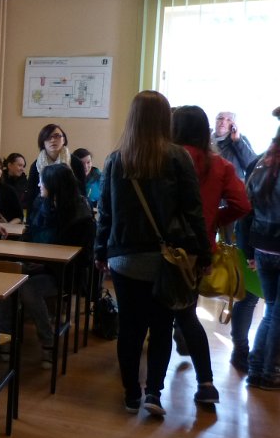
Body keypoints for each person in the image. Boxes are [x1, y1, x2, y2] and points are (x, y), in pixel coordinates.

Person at [94, 92, 210, 417]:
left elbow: (105, 213)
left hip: (124, 258)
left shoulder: (115, 159)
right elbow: (193, 210)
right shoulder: (177, 157)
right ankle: (154, 394)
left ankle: (131, 394)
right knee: (162, 327)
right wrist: (203, 253)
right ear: (164, 118)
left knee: (130, 328)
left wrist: (100, 251)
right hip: (166, 259)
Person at [170, 105, 251, 403]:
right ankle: (206, 383)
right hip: (198, 248)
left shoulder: (164, 159)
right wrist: (214, 220)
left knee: (158, 313)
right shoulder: (220, 165)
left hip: (161, 246)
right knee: (189, 312)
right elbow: (242, 205)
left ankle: (150, 388)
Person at [10, 163, 95, 368]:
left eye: (43, 181)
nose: (39, 185)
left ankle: (48, 341)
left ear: (55, 185)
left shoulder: (81, 214)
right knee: (7, 278)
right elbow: (30, 233)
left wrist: (43, 264)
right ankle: (5, 338)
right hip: (37, 265)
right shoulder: (42, 203)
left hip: (64, 273)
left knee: (28, 288)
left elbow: (82, 258)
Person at [214, 111, 264, 371]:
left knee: (253, 297)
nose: (222, 123)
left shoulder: (242, 146)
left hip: (240, 218)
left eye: (227, 119)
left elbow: (249, 163)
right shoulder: (209, 143)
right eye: (219, 118)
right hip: (232, 216)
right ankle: (244, 351)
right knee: (250, 296)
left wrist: (238, 141)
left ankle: (252, 354)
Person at [243, 106, 280, 390]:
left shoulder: (259, 164)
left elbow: (246, 211)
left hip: (262, 249)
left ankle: (257, 368)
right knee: (276, 313)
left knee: (271, 311)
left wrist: (248, 251)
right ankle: (270, 372)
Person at [24, 124, 86, 217]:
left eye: (57, 136)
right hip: (43, 212)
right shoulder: (36, 165)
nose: (53, 140)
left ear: (63, 140)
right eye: (48, 137)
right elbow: (31, 194)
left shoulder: (75, 162)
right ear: (43, 142)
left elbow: (82, 190)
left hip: (71, 211)